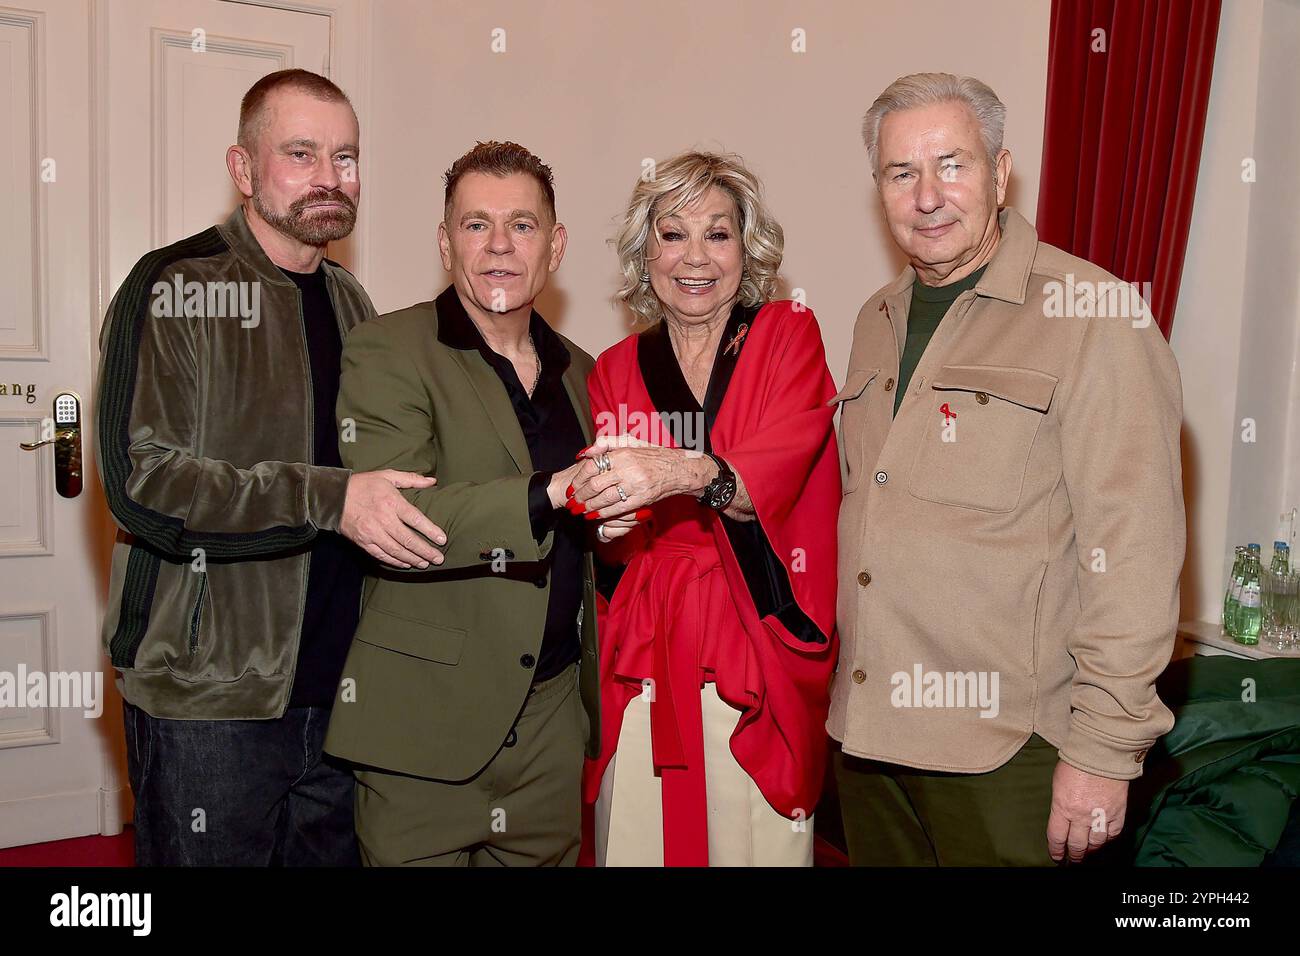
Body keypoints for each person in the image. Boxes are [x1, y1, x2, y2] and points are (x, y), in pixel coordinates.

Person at [830, 73, 1185, 866]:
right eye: (900, 173)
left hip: (1010, 751)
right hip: (869, 738)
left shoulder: (1094, 317)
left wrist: (1102, 752)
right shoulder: (876, 319)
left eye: (951, 165)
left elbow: (1136, 548)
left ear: (1000, 171)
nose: (927, 196)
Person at [95, 69, 447, 866]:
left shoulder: (355, 303)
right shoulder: (174, 286)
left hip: (340, 684)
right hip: (210, 693)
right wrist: (331, 499)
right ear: (244, 169)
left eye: (346, 157)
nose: (330, 177)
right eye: (301, 153)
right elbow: (142, 484)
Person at [324, 142, 601, 866]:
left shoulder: (587, 372)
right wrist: (554, 492)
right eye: (477, 225)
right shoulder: (386, 348)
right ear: (447, 244)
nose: (500, 247)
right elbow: (404, 518)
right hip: (425, 725)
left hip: (551, 722)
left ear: (556, 244)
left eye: (523, 225)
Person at [570, 150, 841, 866]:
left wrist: (676, 471)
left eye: (717, 234)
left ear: (745, 249)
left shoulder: (786, 335)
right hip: (645, 644)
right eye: (672, 233)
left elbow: (766, 486)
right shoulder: (615, 369)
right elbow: (613, 549)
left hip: (752, 632)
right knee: (633, 834)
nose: (695, 258)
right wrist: (610, 523)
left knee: (751, 836)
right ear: (643, 250)